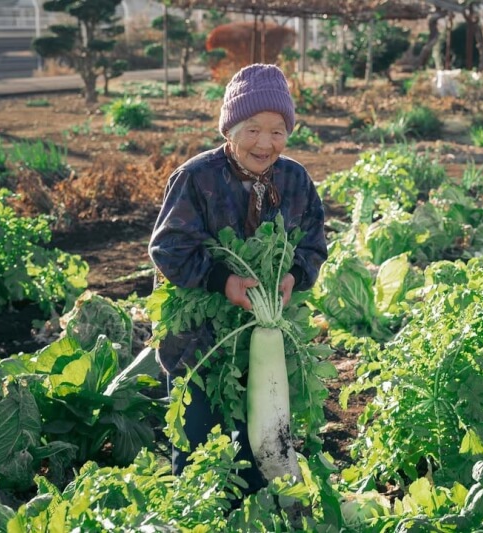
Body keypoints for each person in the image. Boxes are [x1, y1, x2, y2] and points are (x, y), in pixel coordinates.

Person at [148, 63, 328, 491]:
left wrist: (294, 275)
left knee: (257, 451)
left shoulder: (295, 179)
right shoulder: (197, 177)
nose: (265, 143)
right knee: (197, 453)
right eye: (252, 129)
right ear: (229, 129)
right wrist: (221, 282)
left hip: (258, 341)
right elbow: (168, 249)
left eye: (278, 131)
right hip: (200, 344)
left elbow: (313, 243)